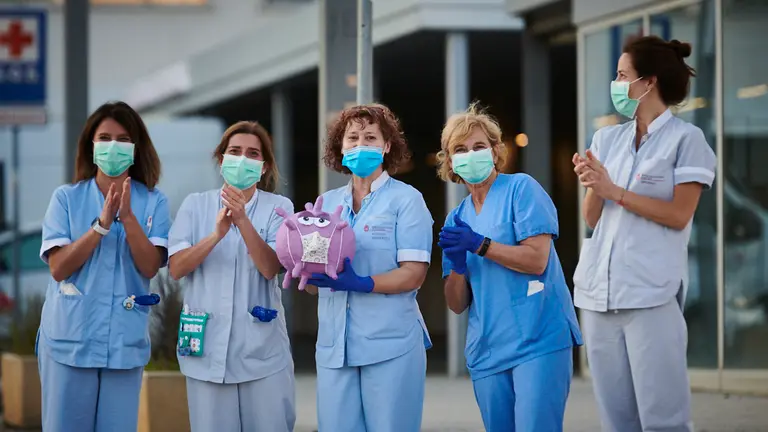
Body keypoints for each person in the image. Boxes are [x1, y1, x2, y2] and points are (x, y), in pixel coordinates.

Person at [573, 36, 716, 432]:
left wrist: (614, 190)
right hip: (598, 298)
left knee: (663, 420)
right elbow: (591, 217)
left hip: (651, 297)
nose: (616, 83)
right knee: (617, 421)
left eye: (622, 75)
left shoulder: (688, 141)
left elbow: (678, 215)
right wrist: (592, 183)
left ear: (648, 82)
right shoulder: (606, 139)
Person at [437, 103, 583, 432]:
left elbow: (537, 259)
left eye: (478, 146)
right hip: (488, 346)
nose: (470, 154)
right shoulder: (456, 219)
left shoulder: (522, 190)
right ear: (449, 161)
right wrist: (459, 267)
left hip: (538, 337)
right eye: (459, 149)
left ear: (496, 150)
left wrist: (480, 245)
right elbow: (457, 303)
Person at [38, 101, 171, 432]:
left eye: (123, 138)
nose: (114, 146)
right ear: (91, 145)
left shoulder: (154, 201)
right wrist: (100, 225)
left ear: (136, 147)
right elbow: (58, 268)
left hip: (123, 346)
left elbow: (150, 265)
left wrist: (127, 217)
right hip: (70, 341)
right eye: (105, 137)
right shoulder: (65, 199)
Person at [305, 104, 433, 432]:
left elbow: (414, 273)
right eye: (352, 137)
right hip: (336, 348)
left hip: (390, 346)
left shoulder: (407, 200)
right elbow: (314, 278)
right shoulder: (327, 203)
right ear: (341, 147)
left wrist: (362, 283)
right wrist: (304, 273)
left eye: (370, 137)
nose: (360, 144)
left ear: (387, 145)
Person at [168, 121, 296, 432]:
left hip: (262, 354)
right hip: (206, 351)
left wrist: (242, 220)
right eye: (235, 151)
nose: (243, 159)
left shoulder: (279, 207)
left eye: (253, 154)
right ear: (221, 159)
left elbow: (270, 268)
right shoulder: (195, 205)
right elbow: (176, 268)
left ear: (264, 167)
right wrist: (215, 235)